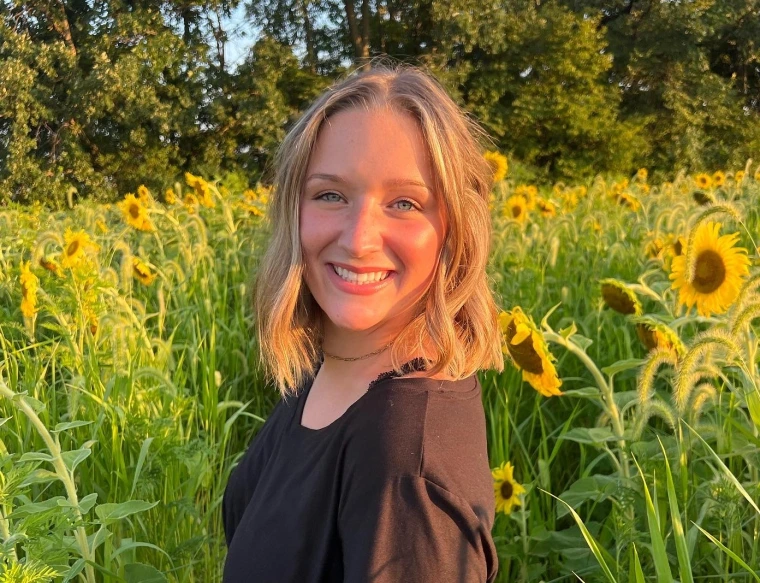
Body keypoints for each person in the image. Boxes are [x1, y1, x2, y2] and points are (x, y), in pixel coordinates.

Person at [222, 61, 504, 582]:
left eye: (404, 203)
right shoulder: (328, 372)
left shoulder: (406, 464)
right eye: (330, 194)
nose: (358, 237)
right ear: (294, 209)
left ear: (455, 230)